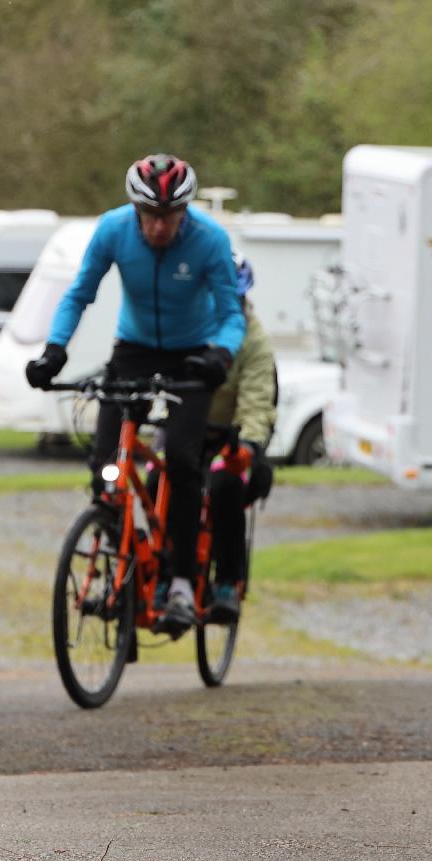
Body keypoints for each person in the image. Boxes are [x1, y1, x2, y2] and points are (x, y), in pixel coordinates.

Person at [25, 154, 245, 635]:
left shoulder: (210, 239)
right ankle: (116, 561)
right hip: (135, 349)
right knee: (106, 464)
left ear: (184, 211)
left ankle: (181, 582)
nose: (159, 226)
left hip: (194, 354)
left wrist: (220, 355)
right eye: (149, 215)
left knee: (182, 462)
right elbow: (79, 293)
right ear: (135, 209)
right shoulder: (112, 230)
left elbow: (232, 314)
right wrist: (54, 350)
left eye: (170, 215)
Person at [201, 251, 277, 626]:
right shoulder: (189, 324)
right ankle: (164, 571)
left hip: (232, 434)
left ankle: (227, 582)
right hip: (189, 429)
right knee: (155, 480)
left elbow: (257, 403)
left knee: (225, 484)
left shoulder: (254, 340)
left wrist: (247, 445)